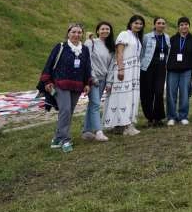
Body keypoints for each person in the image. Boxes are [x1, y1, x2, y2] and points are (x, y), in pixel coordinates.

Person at [41, 23, 92, 152]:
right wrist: (47, 81)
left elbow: (87, 67)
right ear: (68, 33)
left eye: (79, 32)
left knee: (69, 112)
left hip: (77, 85)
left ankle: (57, 138)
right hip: (60, 84)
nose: (76, 34)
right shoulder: (60, 47)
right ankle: (65, 140)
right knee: (65, 110)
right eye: (73, 32)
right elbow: (49, 64)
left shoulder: (85, 49)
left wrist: (87, 83)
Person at [104, 15, 144, 135]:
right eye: (136, 23)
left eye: (140, 24)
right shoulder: (124, 34)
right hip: (125, 70)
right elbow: (119, 52)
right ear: (130, 23)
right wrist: (121, 69)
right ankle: (125, 125)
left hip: (134, 72)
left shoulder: (137, 38)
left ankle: (123, 125)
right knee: (123, 97)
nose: (138, 26)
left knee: (131, 97)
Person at [81, 22, 114, 141]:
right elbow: (87, 60)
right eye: (102, 29)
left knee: (93, 104)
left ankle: (87, 131)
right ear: (97, 31)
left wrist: (109, 82)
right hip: (92, 79)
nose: (105, 31)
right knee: (95, 104)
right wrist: (93, 77)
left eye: (107, 29)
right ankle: (99, 131)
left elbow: (111, 65)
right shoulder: (91, 43)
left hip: (103, 79)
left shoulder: (111, 46)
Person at [166, 17, 192, 126]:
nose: (184, 26)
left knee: (185, 94)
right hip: (172, 71)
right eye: (181, 25)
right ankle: (171, 117)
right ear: (178, 27)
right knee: (171, 94)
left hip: (186, 71)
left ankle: (183, 116)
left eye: (186, 24)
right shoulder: (172, 39)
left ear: (189, 26)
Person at [140, 17, 170, 126]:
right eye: (159, 23)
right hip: (147, 68)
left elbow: (168, 52)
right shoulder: (147, 37)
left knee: (159, 92)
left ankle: (158, 117)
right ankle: (150, 118)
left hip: (161, 69)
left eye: (163, 23)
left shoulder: (167, 37)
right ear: (154, 25)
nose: (161, 25)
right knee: (148, 93)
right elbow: (141, 52)